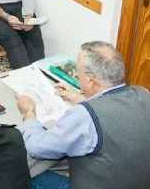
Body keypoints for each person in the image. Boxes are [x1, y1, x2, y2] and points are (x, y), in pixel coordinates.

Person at [16, 41, 150, 189]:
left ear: (91, 80)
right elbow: (115, 111)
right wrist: (79, 98)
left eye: (78, 71)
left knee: (22, 171)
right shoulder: (143, 93)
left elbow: (36, 147)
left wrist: (29, 112)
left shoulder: (84, 115)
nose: (77, 75)